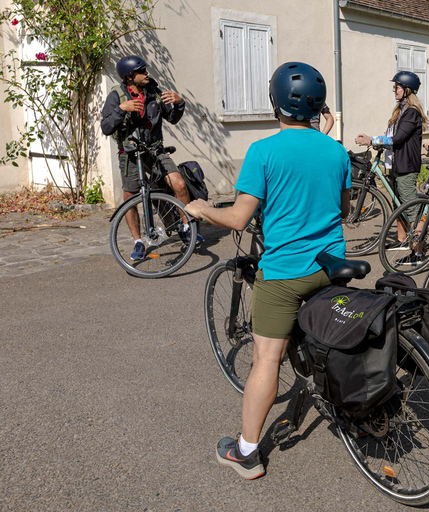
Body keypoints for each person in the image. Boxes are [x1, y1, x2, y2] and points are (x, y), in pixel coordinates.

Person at [185, 62, 351, 480]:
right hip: (331, 266)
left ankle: (246, 452)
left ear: (275, 101)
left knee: (266, 358)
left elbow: (239, 218)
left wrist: (204, 208)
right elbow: (344, 210)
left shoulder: (263, 151)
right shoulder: (335, 150)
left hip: (286, 273)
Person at [100, 55, 201, 261]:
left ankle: (186, 228)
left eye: (146, 70)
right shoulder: (117, 96)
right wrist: (121, 110)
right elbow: (106, 127)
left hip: (155, 151)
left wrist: (179, 103)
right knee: (130, 197)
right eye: (141, 71)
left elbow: (172, 118)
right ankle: (138, 241)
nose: (146, 74)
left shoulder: (154, 92)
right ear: (129, 76)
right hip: (130, 154)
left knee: (179, 184)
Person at [355, 71, 428, 265]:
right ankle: (403, 241)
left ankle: (419, 253)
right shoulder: (401, 110)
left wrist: (372, 140)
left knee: (410, 208)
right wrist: (378, 141)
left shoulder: (411, 113)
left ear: (407, 90)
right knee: (399, 205)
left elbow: (398, 138)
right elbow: (392, 136)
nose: (394, 90)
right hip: (396, 164)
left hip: (406, 166)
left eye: (397, 87)